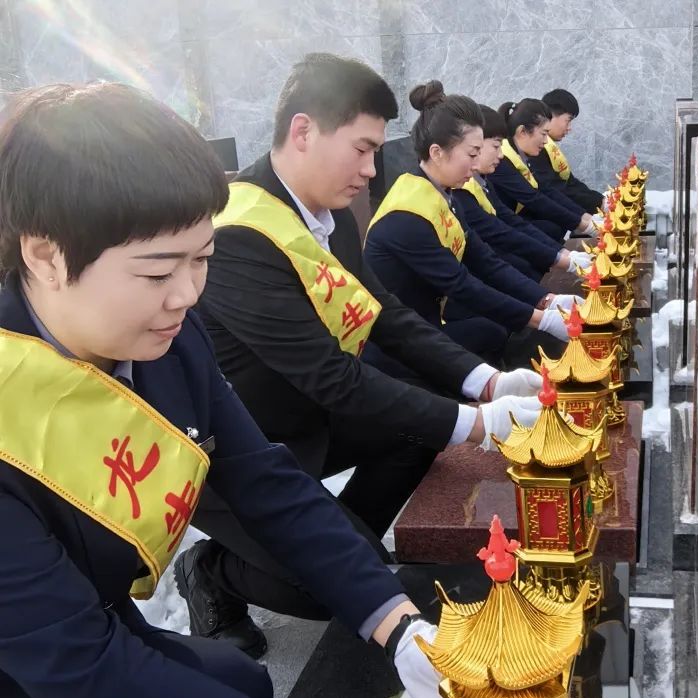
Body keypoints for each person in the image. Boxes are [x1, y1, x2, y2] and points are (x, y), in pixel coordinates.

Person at [0, 82, 512, 698]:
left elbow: (267, 483)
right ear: (41, 252)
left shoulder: (161, 335)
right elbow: (86, 668)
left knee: (232, 684)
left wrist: (396, 623)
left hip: (58, 676)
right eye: (160, 271)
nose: (190, 296)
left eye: (200, 259)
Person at [191, 55, 544, 657]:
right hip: (241, 454)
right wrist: (478, 425)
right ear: (303, 132)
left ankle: (341, 544)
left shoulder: (328, 215)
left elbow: (387, 316)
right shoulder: (238, 235)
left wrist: (485, 382)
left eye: (377, 151)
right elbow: (329, 375)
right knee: (324, 594)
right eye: (359, 149)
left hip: (311, 418)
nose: (370, 169)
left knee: (414, 438)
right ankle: (213, 570)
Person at [365, 82, 575, 365]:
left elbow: (484, 260)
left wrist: (546, 300)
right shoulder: (407, 216)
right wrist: (542, 319)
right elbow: (461, 284)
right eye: (472, 154)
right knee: (501, 335)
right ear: (438, 152)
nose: (476, 165)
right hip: (399, 343)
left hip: (427, 322)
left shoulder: (443, 194)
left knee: (498, 332)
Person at [453, 104, 592, 283]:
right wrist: (560, 262)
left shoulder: (482, 177)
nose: (500, 155)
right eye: (495, 146)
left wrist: (564, 252)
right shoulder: (463, 189)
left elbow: (510, 217)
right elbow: (503, 229)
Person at [487, 99, 595, 242]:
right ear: (522, 132)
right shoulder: (502, 161)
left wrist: (586, 218)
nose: (546, 141)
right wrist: (584, 226)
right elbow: (532, 198)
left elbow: (545, 189)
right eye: (543, 134)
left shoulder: (522, 154)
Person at [537, 89, 605, 214]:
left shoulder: (549, 148)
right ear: (550, 116)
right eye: (568, 121)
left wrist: (602, 201)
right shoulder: (537, 150)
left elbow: (569, 183)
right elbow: (559, 190)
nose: (569, 128)